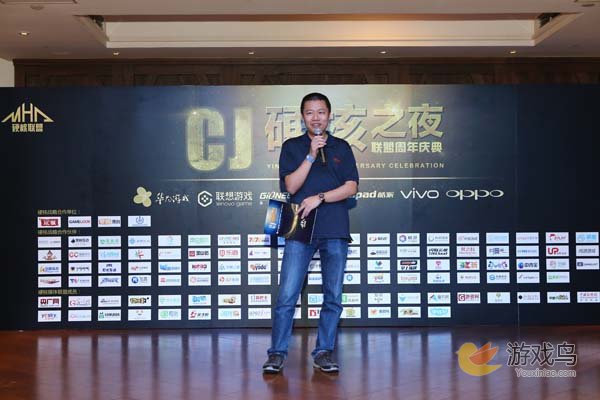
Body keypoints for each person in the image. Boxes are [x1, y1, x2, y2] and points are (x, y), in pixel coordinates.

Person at [262, 92, 359, 374]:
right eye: (310, 112)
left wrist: (320, 197)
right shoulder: (292, 147)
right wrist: (310, 155)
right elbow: (291, 187)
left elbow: (351, 187)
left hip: (335, 228)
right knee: (287, 295)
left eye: (321, 112)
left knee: (333, 296)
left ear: (329, 115)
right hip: (300, 230)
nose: (316, 118)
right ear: (302, 116)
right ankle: (277, 353)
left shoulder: (342, 147)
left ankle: (324, 352)